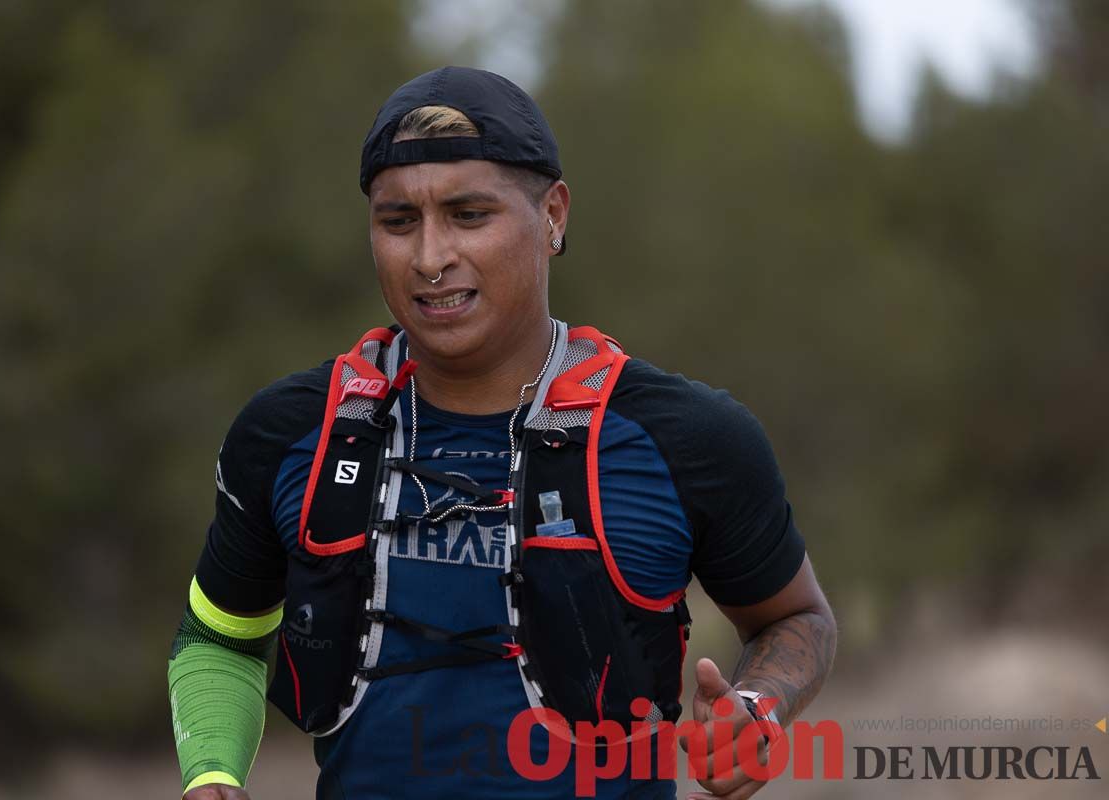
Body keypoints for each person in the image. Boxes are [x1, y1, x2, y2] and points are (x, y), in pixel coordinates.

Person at [167, 66, 837, 800]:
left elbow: (796, 617)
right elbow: (219, 640)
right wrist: (211, 775)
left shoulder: (685, 438)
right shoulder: (294, 432)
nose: (429, 258)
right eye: (398, 222)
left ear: (552, 215)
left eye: (468, 215)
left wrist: (759, 707)